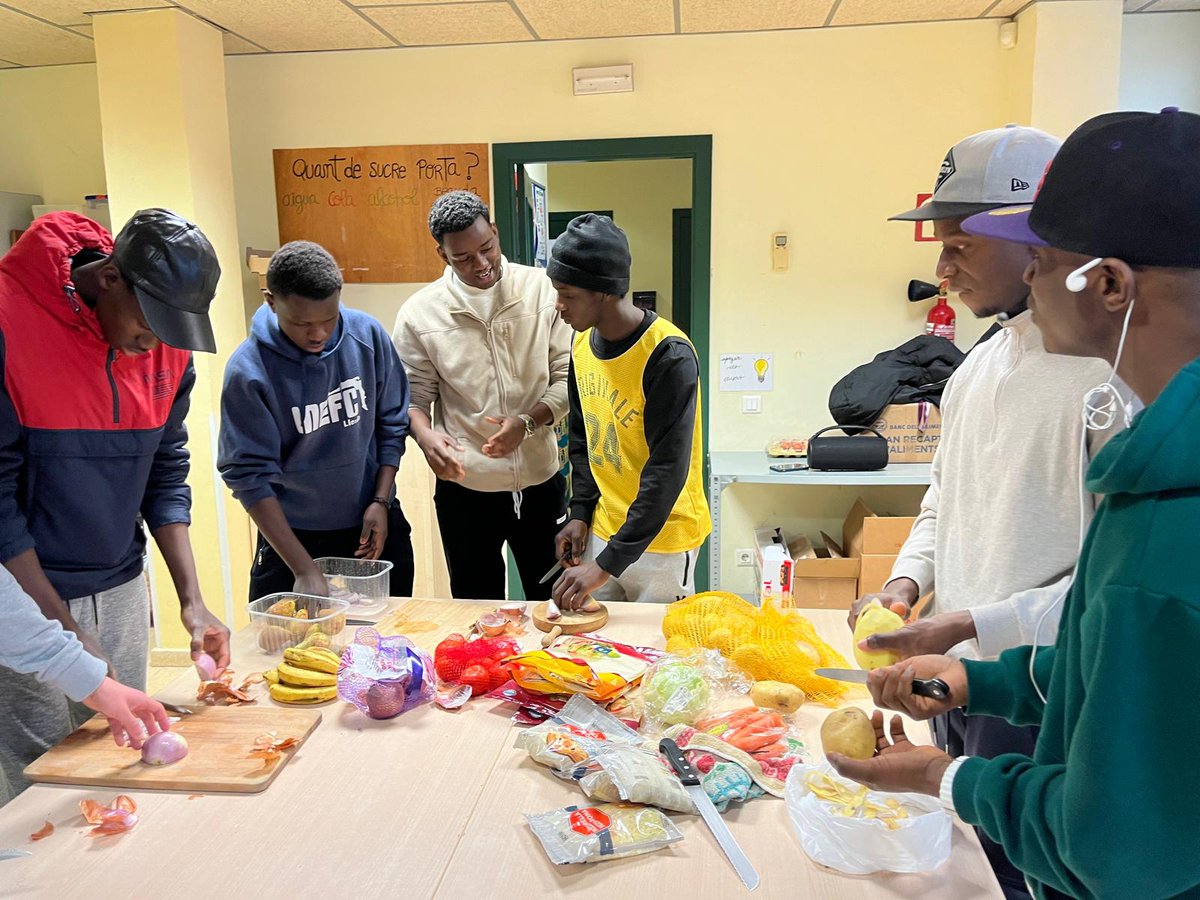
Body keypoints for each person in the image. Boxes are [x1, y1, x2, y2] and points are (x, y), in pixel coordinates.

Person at [829, 107, 1200, 900]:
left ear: (1104, 280)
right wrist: (946, 635)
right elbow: (948, 500)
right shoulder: (980, 365)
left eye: (1042, 258)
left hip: (1037, 707)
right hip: (1009, 679)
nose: (1030, 279)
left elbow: (1112, 846)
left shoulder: (1124, 413)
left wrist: (944, 765)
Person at [0, 209, 230, 804]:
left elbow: (165, 469)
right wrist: (61, 624)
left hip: (123, 585)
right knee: (42, 778)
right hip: (25, 595)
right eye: (150, 325)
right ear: (109, 279)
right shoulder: (9, 321)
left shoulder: (166, 346)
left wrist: (191, 601)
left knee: (125, 745)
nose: (155, 345)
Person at [393, 191, 571, 601]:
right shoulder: (420, 314)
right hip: (465, 489)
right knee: (475, 608)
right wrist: (425, 437)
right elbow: (412, 399)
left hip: (540, 481)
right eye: (463, 258)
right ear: (442, 254)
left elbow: (567, 379)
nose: (481, 264)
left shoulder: (541, 290)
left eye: (487, 248)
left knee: (553, 605)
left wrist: (527, 422)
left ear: (494, 231)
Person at [219, 241, 414, 601]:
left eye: (329, 319)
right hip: (292, 538)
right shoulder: (249, 371)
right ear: (271, 301)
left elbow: (392, 424)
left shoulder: (367, 336)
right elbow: (248, 476)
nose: (318, 334)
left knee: (388, 632)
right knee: (286, 637)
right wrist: (303, 568)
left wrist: (381, 500)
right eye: (302, 323)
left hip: (373, 520)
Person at [547, 214, 709, 607]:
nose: (558, 306)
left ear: (603, 291)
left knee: (653, 643)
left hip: (663, 541)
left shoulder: (668, 355)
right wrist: (580, 513)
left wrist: (606, 564)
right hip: (605, 529)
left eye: (567, 294)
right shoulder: (581, 345)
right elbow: (583, 441)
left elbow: (667, 471)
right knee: (594, 641)